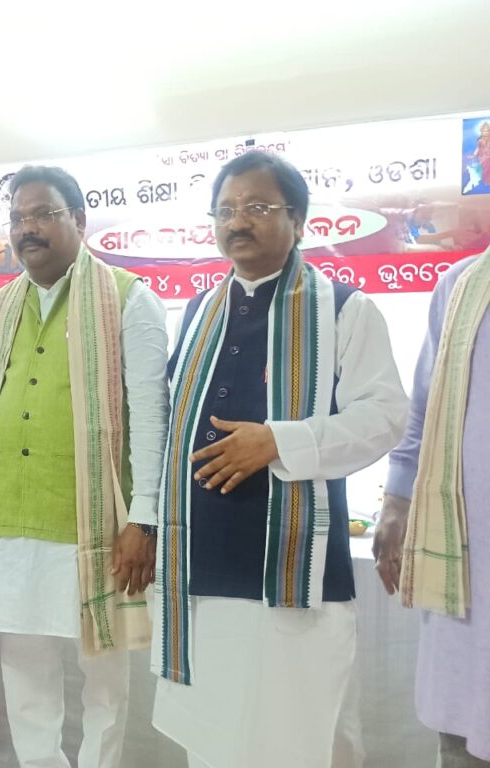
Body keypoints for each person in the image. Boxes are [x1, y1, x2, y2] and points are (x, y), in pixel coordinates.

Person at [151, 153, 409, 768]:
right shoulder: (198, 311)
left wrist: (278, 442)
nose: (238, 221)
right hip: (201, 569)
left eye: (258, 207)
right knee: (215, 739)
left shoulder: (344, 308)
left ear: (298, 219)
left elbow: (385, 418)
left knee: (295, 737)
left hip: (294, 577)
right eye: (225, 210)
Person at [0, 165, 170, 768]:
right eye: (17, 218)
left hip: (95, 526)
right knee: (25, 674)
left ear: (78, 219)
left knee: (104, 677)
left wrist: (145, 519)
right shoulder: (0, 307)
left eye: (43, 214)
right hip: (11, 521)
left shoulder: (129, 298)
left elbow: (153, 416)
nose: (28, 228)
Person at [375, 244, 490, 766]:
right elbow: (422, 411)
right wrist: (396, 504)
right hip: (470, 571)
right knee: (462, 731)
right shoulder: (462, 285)